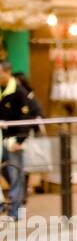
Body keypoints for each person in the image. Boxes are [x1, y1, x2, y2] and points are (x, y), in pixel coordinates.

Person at [0, 60, 42, 225]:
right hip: (1, 138)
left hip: (13, 141)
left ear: (7, 72)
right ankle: (14, 199)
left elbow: (27, 117)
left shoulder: (19, 91)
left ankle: (15, 211)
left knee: (15, 174)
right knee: (7, 173)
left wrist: (19, 139)